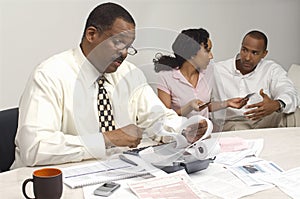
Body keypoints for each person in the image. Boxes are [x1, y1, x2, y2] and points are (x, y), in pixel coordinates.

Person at [12, 3, 209, 168]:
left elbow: (158, 117)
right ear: (91, 35)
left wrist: (185, 129)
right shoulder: (50, 75)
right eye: (118, 43)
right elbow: (35, 147)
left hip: (117, 173)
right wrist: (107, 139)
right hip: (57, 179)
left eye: (128, 47)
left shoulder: (130, 74)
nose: (124, 54)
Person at [211, 30, 299, 131]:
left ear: (264, 54)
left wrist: (276, 104)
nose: (248, 57)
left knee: (294, 114)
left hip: (263, 120)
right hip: (232, 122)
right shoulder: (218, 70)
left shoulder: (271, 69)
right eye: (244, 50)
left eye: (254, 53)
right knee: (239, 129)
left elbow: (288, 91)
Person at [153, 28, 247, 119]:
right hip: (180, 132)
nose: (211, 56)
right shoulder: (166, 77)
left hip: (205, 130)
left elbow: (204, 107)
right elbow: (165, 118)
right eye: (207, 51)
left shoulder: (209, 71)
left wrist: (227, 103)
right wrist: (189, 107)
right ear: (192, 53)